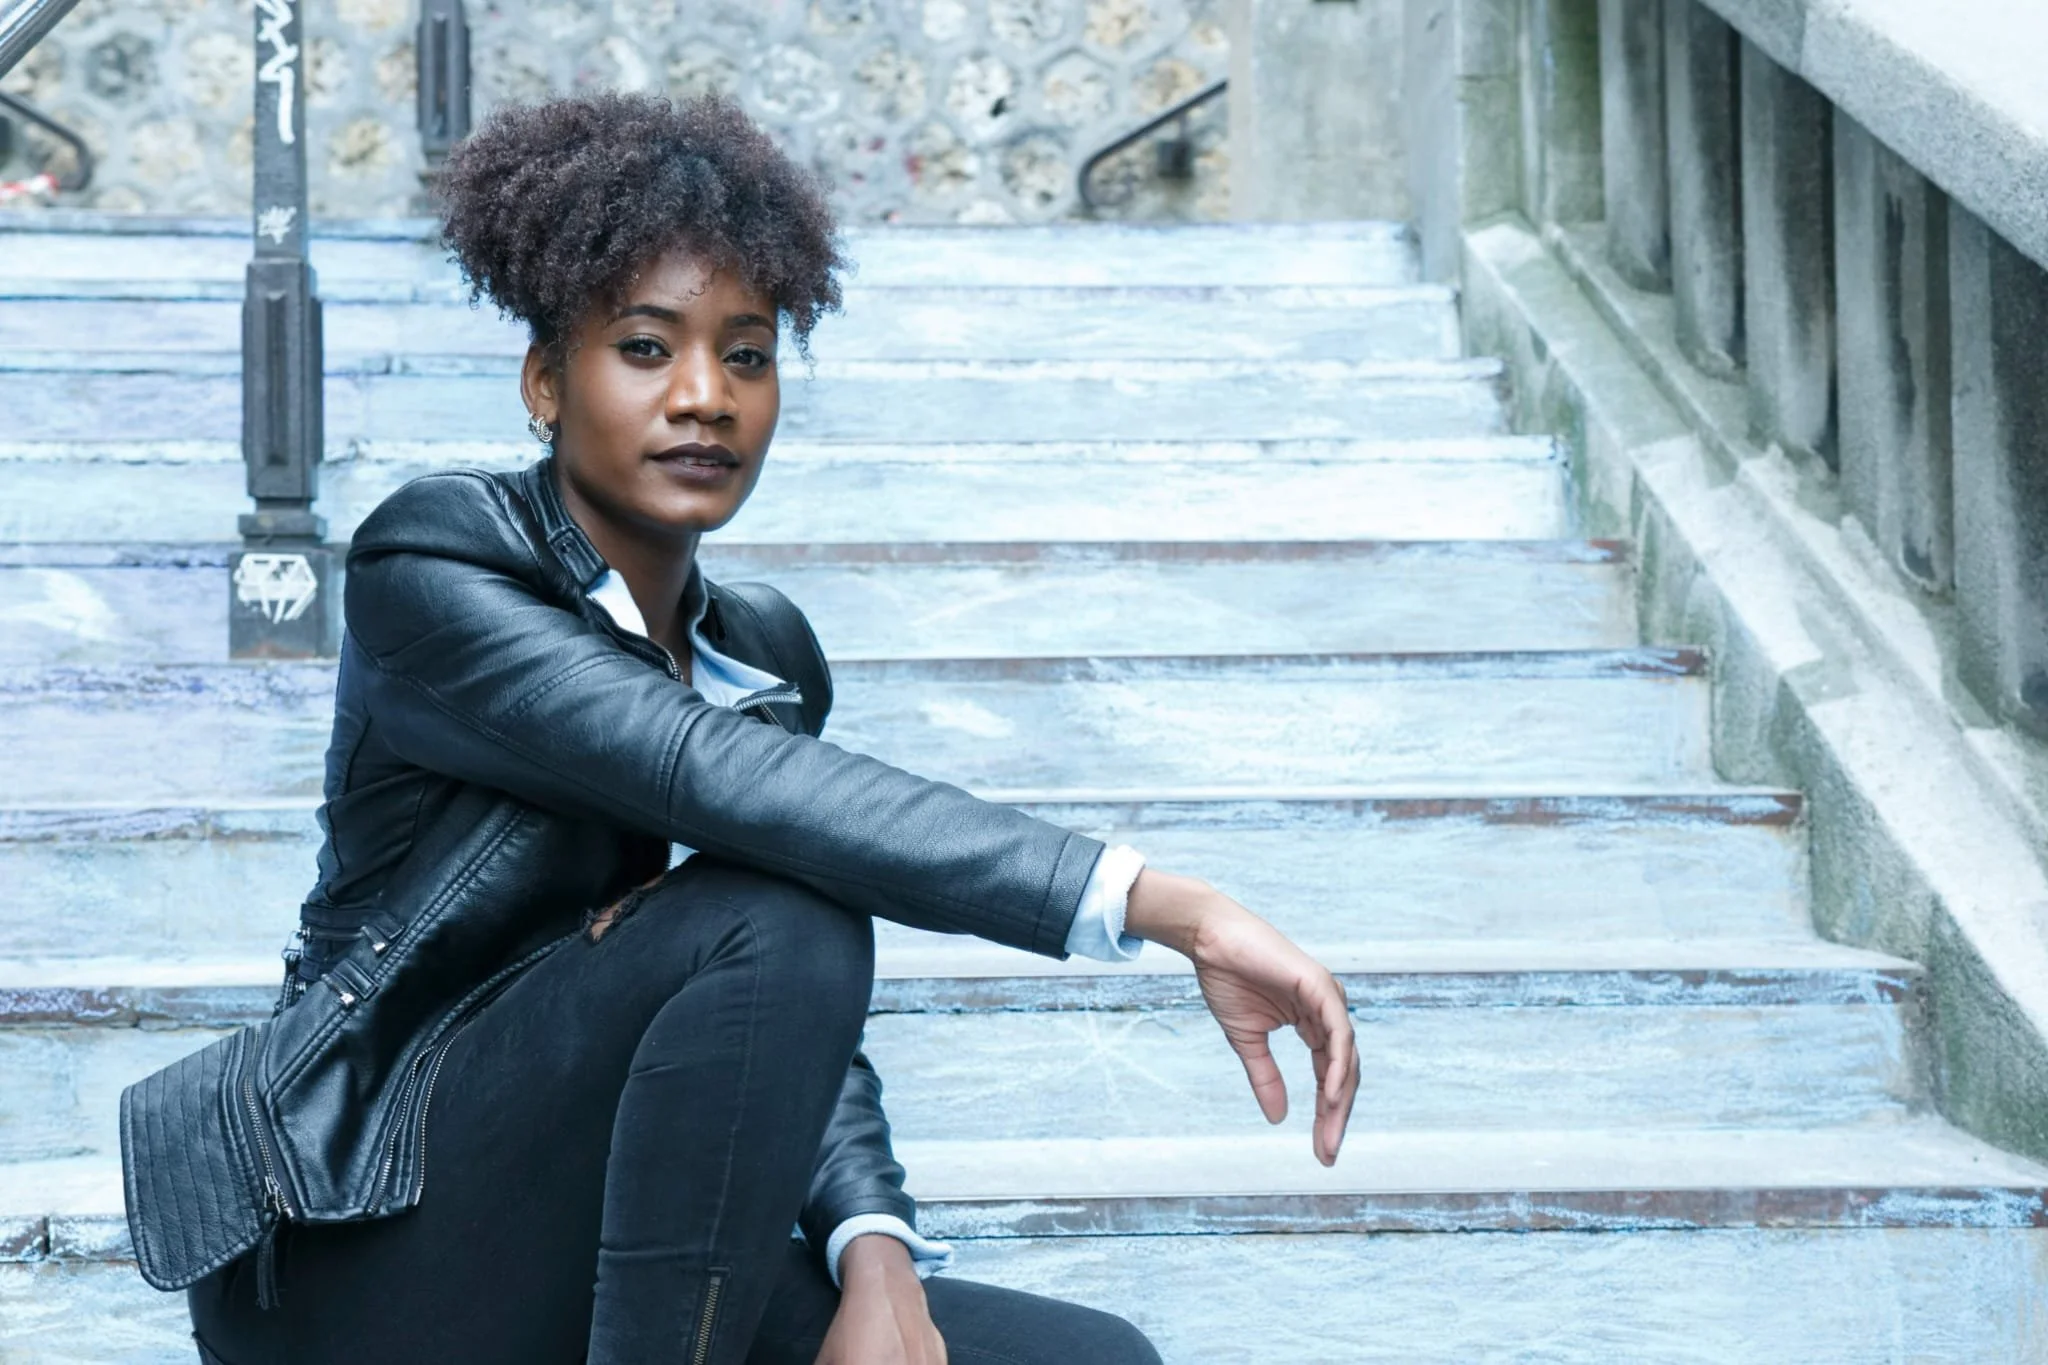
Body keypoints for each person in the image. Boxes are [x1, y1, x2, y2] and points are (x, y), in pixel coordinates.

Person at [181, 91, 1358, 1365]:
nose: (704, 397)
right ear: (545, 380)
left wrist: (872, 1247)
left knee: (1088, 1359)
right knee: (781, 911)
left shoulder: (764, 653)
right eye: (645, 348)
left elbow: (781, 1025)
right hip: (357, 1239)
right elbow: (697, 776)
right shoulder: (436, 564)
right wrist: (1165, 906)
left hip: (612, 1245)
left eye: (746, 356)